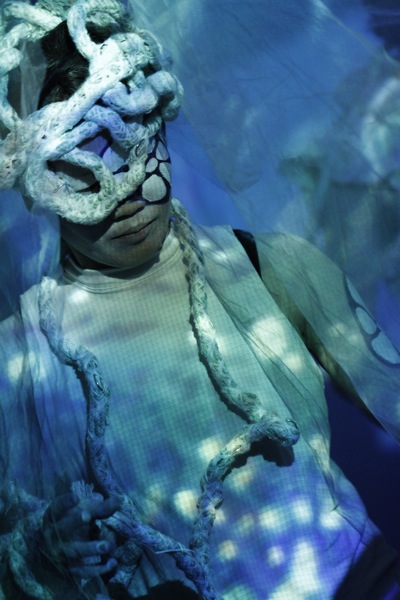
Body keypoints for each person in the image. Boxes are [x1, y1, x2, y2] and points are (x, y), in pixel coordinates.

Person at [0, 0, 399, 598]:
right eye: (82, 167)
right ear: (36, 185)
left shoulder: (270, 265)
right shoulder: (17, 359)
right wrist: (44, 548)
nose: (125, 194)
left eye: (134, 143)